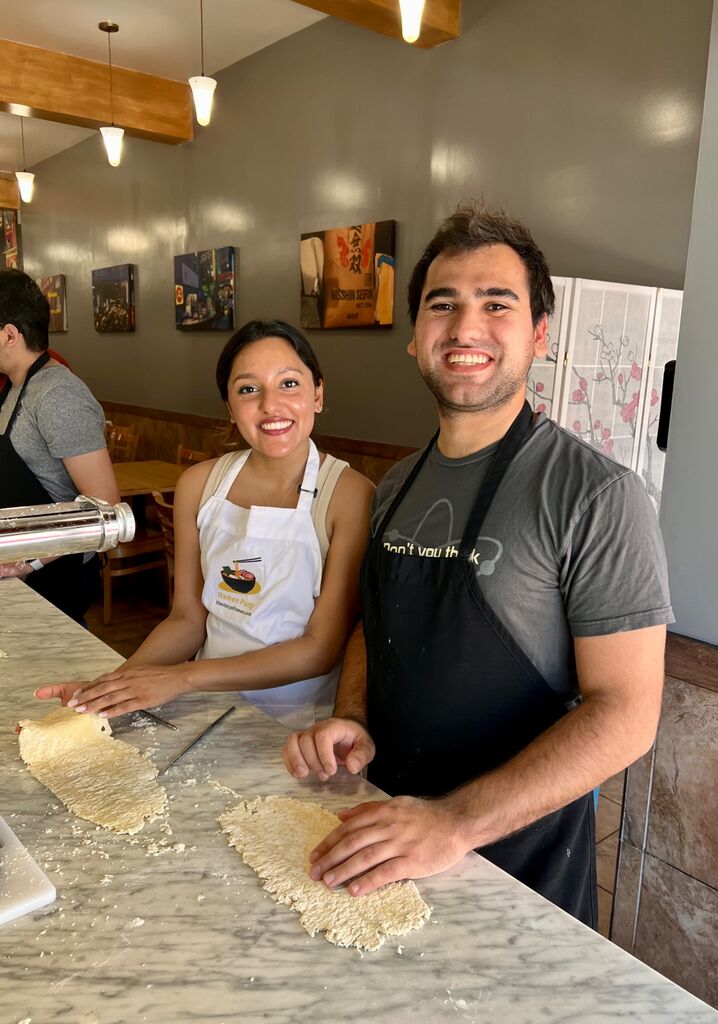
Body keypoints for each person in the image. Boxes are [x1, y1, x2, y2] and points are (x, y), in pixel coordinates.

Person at [282, 206, 673, 927]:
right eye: (443, 305)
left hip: (517, 869)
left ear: (539, 335)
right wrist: (351, 718)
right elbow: (376, 623)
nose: (465, 328)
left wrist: (453, 824)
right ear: (415, 338)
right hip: (384, 835)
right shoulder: (396, 485)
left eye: (497, 304)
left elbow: (627, 714)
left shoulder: (596, 495)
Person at [36, 320, 374, 729]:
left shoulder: (350, 494)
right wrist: (112, 688)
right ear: (230, 408)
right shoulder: (199, 484)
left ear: (318, 393)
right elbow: (187, 619)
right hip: (205, 708)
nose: (271, 405)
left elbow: (319, 650)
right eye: (249, 389)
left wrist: (182, 677)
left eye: (289, 384)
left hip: (295, 724)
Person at [0, 270, 119, 622]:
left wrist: (29, 562)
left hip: (50, 576)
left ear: (9, 335)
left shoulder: (58, 394)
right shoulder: (15, 386)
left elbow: (106, 507)